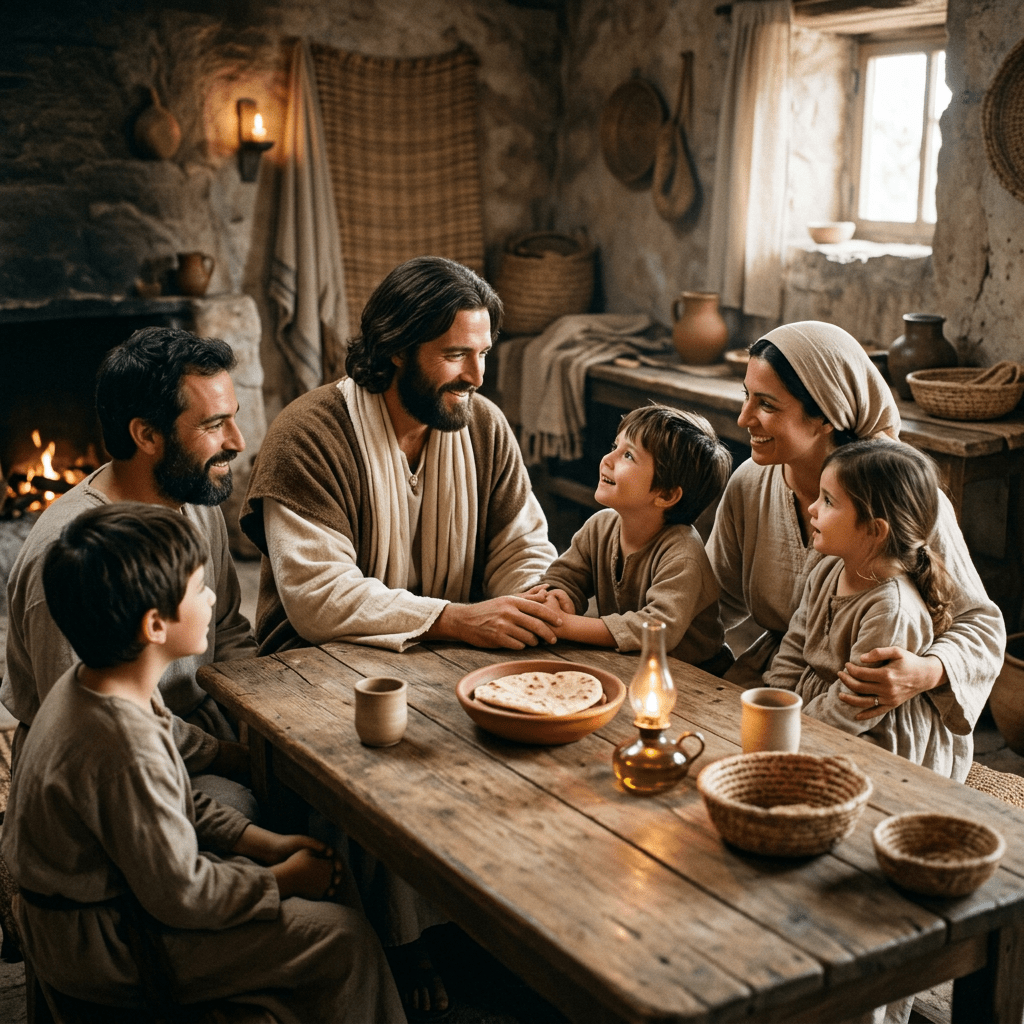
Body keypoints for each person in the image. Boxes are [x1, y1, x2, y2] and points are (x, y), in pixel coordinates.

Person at [1, 504, 404, 1022]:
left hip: (120, 902)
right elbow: (183, 894)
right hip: (107, 942)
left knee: (329, 883)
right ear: (154, 625)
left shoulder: (100, 682)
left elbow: (171, 799)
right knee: (342, 940)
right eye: (198, 588)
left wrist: (264, 844)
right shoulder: (120, 743)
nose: (213, 595)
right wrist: (281, 881)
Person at [707, 321, 1004, 784]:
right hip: (793, 686)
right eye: (746, 395)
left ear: (825, 414)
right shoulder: (750, 482)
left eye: (766, 404)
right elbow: (708, 599)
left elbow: (981, 625)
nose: (744, 418)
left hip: (879, 712)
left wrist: (924, 671)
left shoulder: (896, 497)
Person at [240, 255, 562, 654]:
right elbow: (319, 598)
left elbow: (521, 549)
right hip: (318, 660)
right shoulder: (308, 436)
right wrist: (457, 620)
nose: (477, 377)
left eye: (483, 354)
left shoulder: (485, 426)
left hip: (454, 648)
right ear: (397, 349)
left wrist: (534, 599)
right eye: (456, 355)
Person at [2, 326, 257, 813]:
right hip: (108, 771)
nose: (238, 443)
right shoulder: (72, 558)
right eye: (213, 425)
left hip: (196, 730)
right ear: (146, 435)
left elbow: (227, 629)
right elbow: (96, 729)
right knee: (238, 809)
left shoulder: (196, 498)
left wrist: (266, 722)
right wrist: (227, 756)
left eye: (234, 420)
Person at [765, 440, 961, 775]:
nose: (812, 507)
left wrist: (795, 732)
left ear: (874, 530)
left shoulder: (890, 609)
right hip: (820, 714)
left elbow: (854, 705)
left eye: (828, 501)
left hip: (875, 733)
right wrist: (773, 706)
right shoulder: (827, 568)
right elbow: (795, 646)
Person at [531, 404, 733, 674]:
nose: (607, 459)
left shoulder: (683, 554)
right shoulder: (600, 526)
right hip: (635, 665)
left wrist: (565, 624)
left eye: (627, 455)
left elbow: (655, 630)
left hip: (697, 676)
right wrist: (557, 597)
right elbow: (565, 577)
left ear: (666, 495)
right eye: (615, 445)